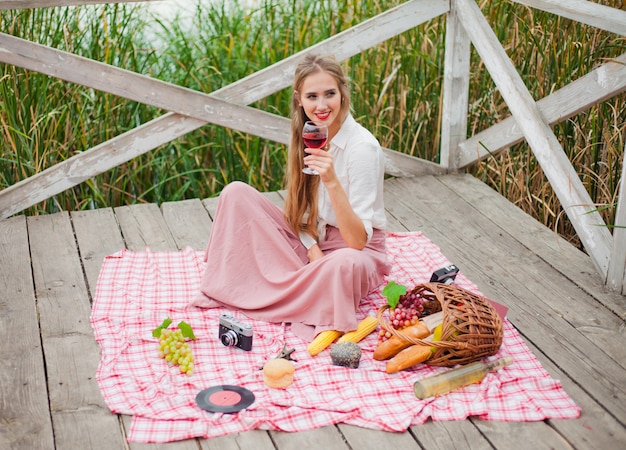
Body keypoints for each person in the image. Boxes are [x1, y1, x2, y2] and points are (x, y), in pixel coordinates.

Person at [192, 54, 389, 342]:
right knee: (235, 192)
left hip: (356, 252)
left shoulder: (362, 149)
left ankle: (274, 289)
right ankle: (300, 285)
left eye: (330, 94)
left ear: (343, 92)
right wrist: (312, 251)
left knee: (344, 263)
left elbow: (357, 242)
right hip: (313, 241)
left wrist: (331, 181)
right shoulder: (309, 135)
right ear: (299, 99)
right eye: (312, 96)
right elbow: (300, 215)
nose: (321, 106)